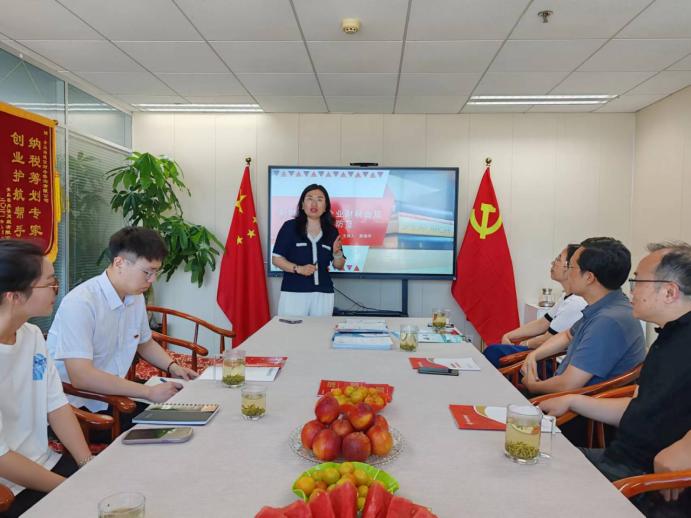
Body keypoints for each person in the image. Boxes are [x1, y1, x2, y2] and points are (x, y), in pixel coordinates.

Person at [539, 242, 691, 517]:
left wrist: (686, 448)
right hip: (619, 457)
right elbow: (640, 407)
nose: (631, 290)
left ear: (669, 292)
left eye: (638, 282)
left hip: (647, 482)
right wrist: (573, 400)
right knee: (528, 458)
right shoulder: (667, 337)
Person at [46, 227, 197, 430]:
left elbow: (144, 343)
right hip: (78, 407)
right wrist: (148, 393)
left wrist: (173, 367)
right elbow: (81, 377)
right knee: (170, 426)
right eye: (147, 272)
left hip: (115, 392)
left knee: (188, 409)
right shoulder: (81, 302)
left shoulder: (135, 297)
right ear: (119, 263)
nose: (152, 279)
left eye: (156, 272)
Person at [0, 240, 92, 518]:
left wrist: (87, 464)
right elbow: (2, 458)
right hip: (8, 489)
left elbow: (56, 405)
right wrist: (70, 488)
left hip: (45, 464)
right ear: (14, 296)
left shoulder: (31, 337)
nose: (56, 289)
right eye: (50, 283)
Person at [520, 237, 646, 395]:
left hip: (575, 405)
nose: (567, 273)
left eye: (571, 267)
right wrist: (534, 354)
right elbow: (567, 335)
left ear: (589, 277)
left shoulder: (608, 321)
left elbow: (567, 385)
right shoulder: (609, 305)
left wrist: (532, 386)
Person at [484, 243, 586, 368]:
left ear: (570, 267)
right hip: (545, 355)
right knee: (496, 349)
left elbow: (547, 340)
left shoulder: (576, 302)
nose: (552, 263)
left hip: (555, 363)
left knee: (494, 352)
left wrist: (521, 344)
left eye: (558, 259)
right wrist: (509, 335)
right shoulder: (567, 296)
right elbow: (542, 323)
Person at [271, 184, 346, 317]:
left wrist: (337, 253)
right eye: (310, 198)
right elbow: (276, 259)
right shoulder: (290, 227)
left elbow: (339, 265)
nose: (314, 203)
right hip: (294, 292)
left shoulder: (331, 231)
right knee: (292, 329)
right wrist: (298, 269)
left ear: (326, 207)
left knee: (320, 330)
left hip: (323, 293)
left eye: (319, 199)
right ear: (302, 204)